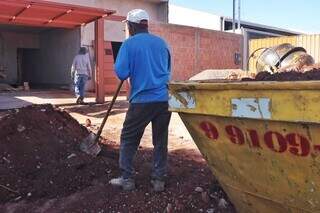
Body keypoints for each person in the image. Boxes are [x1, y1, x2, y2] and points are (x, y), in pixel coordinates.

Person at [110, 9, 171, 192]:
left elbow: (121, 73)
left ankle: (127, 179)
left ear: (130, 25)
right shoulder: (162, 43)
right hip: (163, 100)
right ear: (145, 24)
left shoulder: (129, 45)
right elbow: (167, 69)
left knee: (128, 139)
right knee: (160, 141)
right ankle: (159, 180)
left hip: (141, 101)